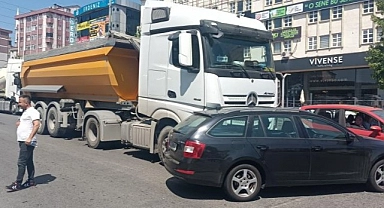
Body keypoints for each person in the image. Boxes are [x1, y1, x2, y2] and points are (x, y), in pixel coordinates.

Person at [6, 94, 40, 192]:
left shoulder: (33, 112)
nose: (18, 104)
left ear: (26, 103)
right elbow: (26, 122)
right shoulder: (26, 112)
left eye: (20, 102)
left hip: (27, 141)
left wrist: (29, 138)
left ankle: (18, 183)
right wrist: (20, 123)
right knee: (28, 161)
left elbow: (36, 124)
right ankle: (31, 180)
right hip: (23, 140)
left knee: (21, 162)